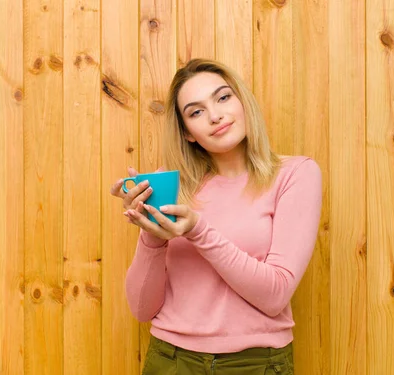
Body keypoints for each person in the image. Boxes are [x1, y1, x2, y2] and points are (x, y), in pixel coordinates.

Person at [110, 58, 322, 375]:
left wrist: (197, 230)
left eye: (223, 97)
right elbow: (142, 309)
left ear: (242, 101)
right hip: (171, 361)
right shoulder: (171, 186)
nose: (215, 116)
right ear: (188, 134)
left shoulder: (295, 175)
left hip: (255, 364)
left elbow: (275, 294)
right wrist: (153, 233)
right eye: (196, 112)